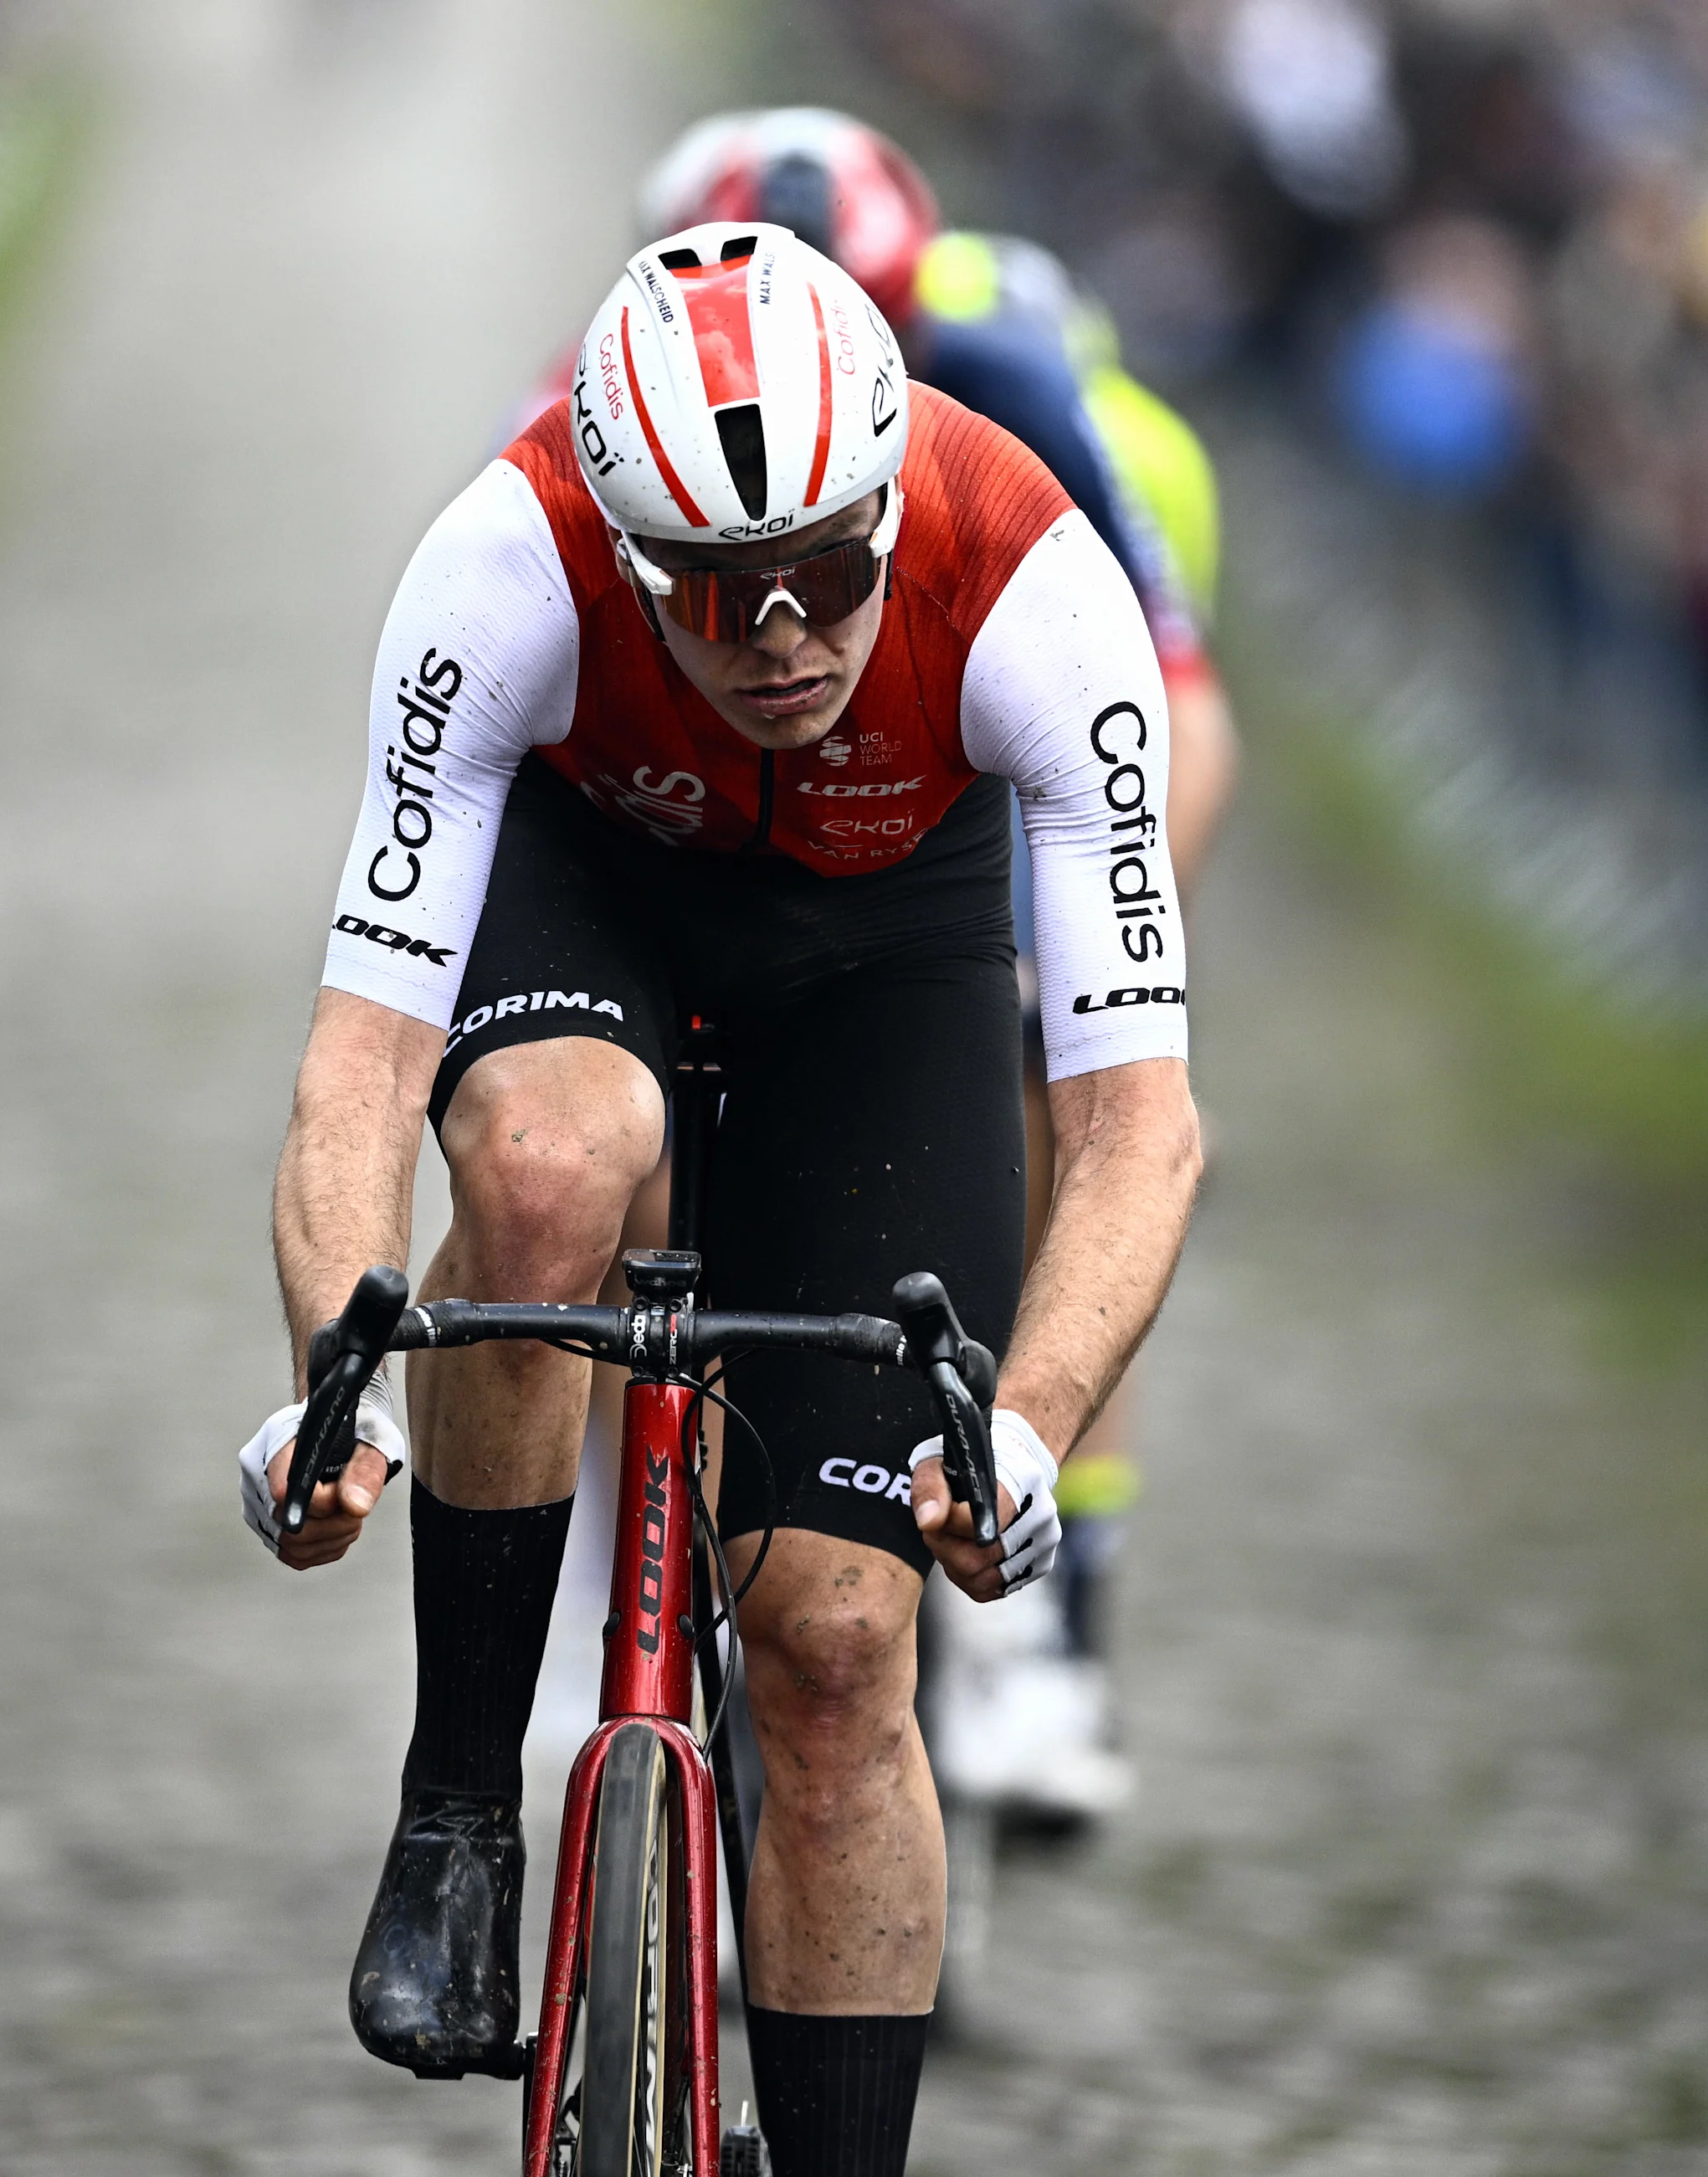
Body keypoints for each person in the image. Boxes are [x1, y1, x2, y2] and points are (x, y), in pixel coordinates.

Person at [238, 227, 1202, 2176]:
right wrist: (330, 1383)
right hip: (595, 881)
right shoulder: (502, 561)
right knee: (541, 1163)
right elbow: (358, 1056)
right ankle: (457, 1810)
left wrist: (1028, 1426)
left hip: (887, 950)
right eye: (714, 592)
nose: (780, 635)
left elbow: (1137, 1128)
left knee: (842, 1647)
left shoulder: (1034, 585)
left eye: (827, 576)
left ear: (887, 498)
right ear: (618, 546)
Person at [619, 110, 1241, 1821]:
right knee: (607, 1154)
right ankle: (621, 1574)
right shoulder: (629, 390)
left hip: (960, 833)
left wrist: (1092, 952)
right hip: (718, 844)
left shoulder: (1018, 391)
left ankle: (1057, 1636)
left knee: (1087, 1124)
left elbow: (1183, 716)